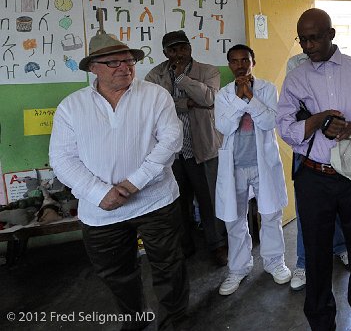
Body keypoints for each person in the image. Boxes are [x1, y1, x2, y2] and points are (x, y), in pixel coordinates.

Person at [49, 31, 188, 330]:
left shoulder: (154, 95)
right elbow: (62, 159)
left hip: (156, 201)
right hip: (101, 213)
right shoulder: (71, 107)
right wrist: (99, 193)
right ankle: (135, 321)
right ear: (92, 68)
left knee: (169, 269)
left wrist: (133, 183)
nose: (125, 67)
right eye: (114, 62)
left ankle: (174, 324)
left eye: (129, 60)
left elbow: (171, 141)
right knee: (117, 275)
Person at [278, 8, 351, 331]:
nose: (308, 46)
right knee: (316, 253)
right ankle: (322, 322)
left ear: (331, 35)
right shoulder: (296, 77)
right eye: (303, 40)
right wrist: (317, 119)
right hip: (313, 177)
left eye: (314, 38)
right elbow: (285, 126)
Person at [214, 44, 292, 295]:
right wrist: (241, 99)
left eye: (245, 60)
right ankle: (238, 268)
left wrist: (251, 96)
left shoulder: (268, 89)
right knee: (234, 219)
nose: (240, 65)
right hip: (234, 165)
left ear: (253, 62)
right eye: (234, 61)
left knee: (270, 214)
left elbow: (270, 121)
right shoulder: (223, 95)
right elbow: (225, 127)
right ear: (229, 65)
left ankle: (274, 262)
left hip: (262, 164)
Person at [144, 30, 227, 267]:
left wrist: (182, 80)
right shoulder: (155, 75)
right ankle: (185, 245)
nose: (178, 54)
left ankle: (216, 244)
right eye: (173, 50)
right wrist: (187, 103)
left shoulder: (208, 71)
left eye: (182, 48)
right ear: (165, 53)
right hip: (172, 153)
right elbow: (155, 106)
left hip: (202, 148)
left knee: (209, 199)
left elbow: (210, 99)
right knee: (177, 203)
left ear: (190, 48)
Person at [285, 53, 349, 292]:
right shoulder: (295, 70)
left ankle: (341, 248)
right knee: (306, 214)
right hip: (306, 155)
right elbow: (291, 120)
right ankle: (303, 263)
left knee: (339, 206)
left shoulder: (338, 74)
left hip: (335, 153)